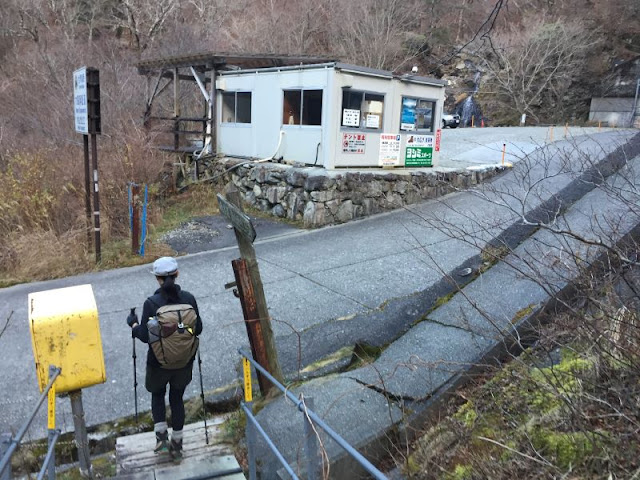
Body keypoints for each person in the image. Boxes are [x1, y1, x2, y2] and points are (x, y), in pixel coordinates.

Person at [127, 256, 203, 460]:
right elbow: (199, 329)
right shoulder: (189, 299)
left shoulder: (152, 303)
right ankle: (177, 444)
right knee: (177, 398)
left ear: (157, 278)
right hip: (184, 362)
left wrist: (133, 325)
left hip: (158, 363)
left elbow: (144, 336)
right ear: (177, 274)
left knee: (158, 395)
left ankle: (161, 439)